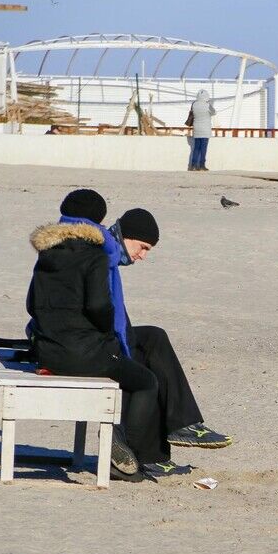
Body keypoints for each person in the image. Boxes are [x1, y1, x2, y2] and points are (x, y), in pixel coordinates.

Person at [26, 198, 231, 481]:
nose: (143, 256)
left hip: (62, 342)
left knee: (154, 339)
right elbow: (100, 307)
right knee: (145, 374)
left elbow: (33, 303)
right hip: (86, 346)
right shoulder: (102, 253)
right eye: (142, 247)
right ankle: (143, 452)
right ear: (121, 234)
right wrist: (107, 335)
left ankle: (180, 428)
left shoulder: (51, 250)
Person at [189, 89, 215, 171]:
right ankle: (201, 165)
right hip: (205, 129)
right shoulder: (207, 105)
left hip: (196, 128)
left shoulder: (194, 104)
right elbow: (214, 112)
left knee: (196, 148)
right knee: (203, 148)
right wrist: (210, 104)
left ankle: (193, 165)